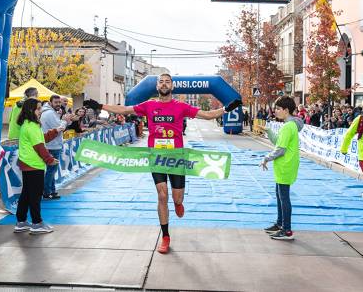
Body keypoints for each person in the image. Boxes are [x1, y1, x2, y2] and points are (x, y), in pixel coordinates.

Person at [84, 73, 241, 254]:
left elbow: (207, 115)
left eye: (167, 81)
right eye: (161, 82)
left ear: (172, 86)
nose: (164, 84)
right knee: (162, 195)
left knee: (176, 198)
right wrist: (100, 106)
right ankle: (165, 236)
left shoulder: (181, 106)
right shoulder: (149, 105)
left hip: (176, 157)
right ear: (157, 86)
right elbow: (125, 110)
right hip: (156, 157)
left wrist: (227, 108)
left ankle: (178, 203)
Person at [261, 96, 303, 241]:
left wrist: (266, 158)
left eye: (278, 109)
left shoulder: (288, 126)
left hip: (285, 166)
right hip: (283, 166)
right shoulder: (288, 125)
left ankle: (287, 230)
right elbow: (277, 142)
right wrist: (268, 131)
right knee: (280, 195)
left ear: (286, 110)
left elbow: (280, 149)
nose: (275, 111)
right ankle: (280, 224)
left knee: (284, 197)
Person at [14, 98, 59, 234]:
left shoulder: (28, 125)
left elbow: (41, 139)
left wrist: (55, 131)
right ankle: (36, 223)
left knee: (26, 194)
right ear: (30, 110)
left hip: (28, 164)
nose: (40, 112)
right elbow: (39, 146)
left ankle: (21, 222)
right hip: (34, 165)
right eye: (38, 109)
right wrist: (49, 159)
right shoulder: (32, 126)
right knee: (35, 195)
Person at [40, 95, 72, 200]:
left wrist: (65, 120)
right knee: (51, 170)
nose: (59, 104)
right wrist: (64, 120)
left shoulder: (51, 112)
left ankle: (51, 191)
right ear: (50, 103)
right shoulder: (49, 113)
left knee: (52, 170)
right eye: (56, 102)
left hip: (52, 144)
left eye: (59, 102)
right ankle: (47, 192)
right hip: (52, 145)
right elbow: (60, 127)